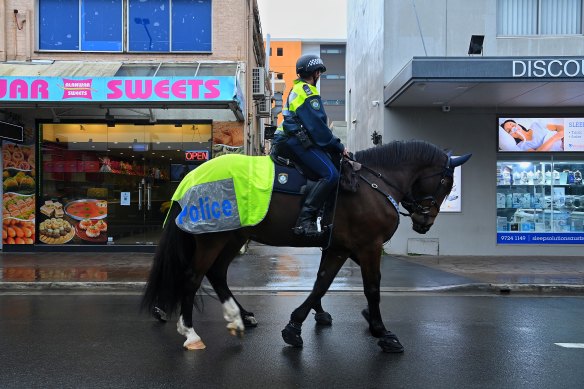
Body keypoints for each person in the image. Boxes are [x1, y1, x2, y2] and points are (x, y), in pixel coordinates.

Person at [271, 54, 349, 237]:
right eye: (319, 73)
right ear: (315, 73)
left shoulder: (297, 89)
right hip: (292, 141)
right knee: (330, 174)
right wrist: (339, 146)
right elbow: (318, 129)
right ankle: (305, 221)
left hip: (289, 139)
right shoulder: (308, 92)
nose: (319, 76)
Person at [499, 119, 564, 151]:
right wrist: (555, 138)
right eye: (509, 130)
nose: (512, 128)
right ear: (511, 136)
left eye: (511, 124)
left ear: (517, 124)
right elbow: (538, 155)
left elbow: (558, 127)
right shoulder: (522, 146)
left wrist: (563, 135)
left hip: (567, 138)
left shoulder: (535, 125)